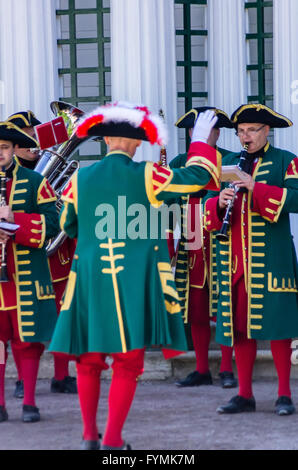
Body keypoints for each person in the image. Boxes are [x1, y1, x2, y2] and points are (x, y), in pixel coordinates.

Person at [49, 102, 222, 450]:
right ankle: (113, 440)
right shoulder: (148, 175)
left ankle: (88, 437)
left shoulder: (79, 178)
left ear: (107, 139)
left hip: (89, 279)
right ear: (137, 144)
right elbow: (198, 179)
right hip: (133, 280)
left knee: (88, 359)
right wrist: (201, 144)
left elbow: (67, 223)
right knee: (127, 362)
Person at [204, 103, 298, 415]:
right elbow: (206, 203)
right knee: (239, 328)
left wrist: (255, 187)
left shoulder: (286, 160)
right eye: (241, 131)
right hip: (234, 262)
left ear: (266, 131)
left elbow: (296, 199)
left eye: (252, 130)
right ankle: (244, 395)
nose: (246, 137)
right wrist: (220, 201)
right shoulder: (227, 163)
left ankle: (284, 394)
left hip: (271, 260)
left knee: (279, 328)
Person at [6, 111, 77, 397]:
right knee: (20, 326)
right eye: (27, 139)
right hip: (19, 260)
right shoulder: (13, 175)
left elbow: (59, 216)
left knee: (62, 316)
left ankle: (62, 374)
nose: (34, 143)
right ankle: (24, 380)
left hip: (54, 256)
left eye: (34, 136)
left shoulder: (41, 173)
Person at [168, 107, 237, 389]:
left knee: (226, 307)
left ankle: (226, 368)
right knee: (196, 306)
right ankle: (200, 369)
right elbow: (169, 200)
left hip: (225, 238)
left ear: (218, 133)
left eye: (209, 130)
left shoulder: (231, 159)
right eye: (196, 130)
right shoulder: (179, 161)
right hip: (192, 237)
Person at [0, 121, 59, 423]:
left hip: (25, 277)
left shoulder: (35, 181)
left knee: (27, 342)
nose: (0, 153)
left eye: (5, 148)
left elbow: (55, 220)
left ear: (14, 151)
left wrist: (15, 222)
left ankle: (30, 402)